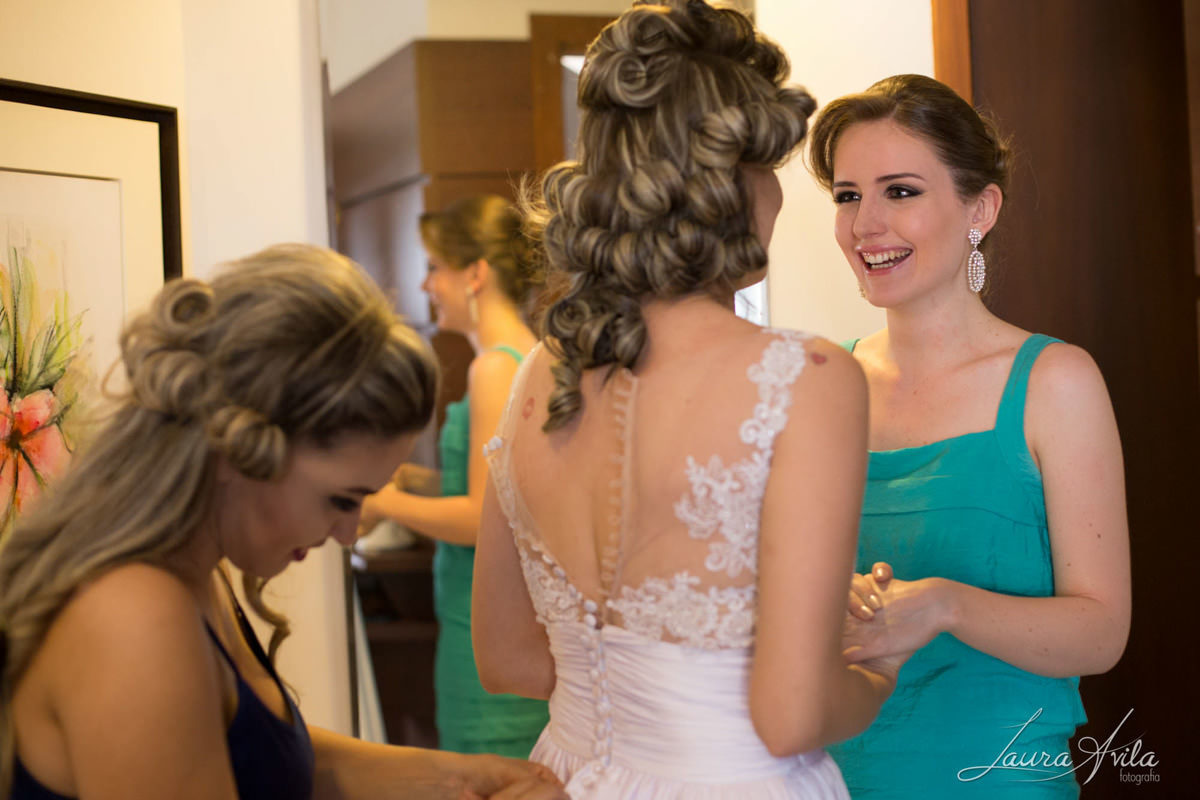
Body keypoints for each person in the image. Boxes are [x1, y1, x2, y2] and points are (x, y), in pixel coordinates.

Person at [470, 3, 906, 797]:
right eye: (770, 170)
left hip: (569, 774)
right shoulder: (804, 377)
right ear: (731, 183)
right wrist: (878, 677)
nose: (777, 199)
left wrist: (634, 702)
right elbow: (791, 715)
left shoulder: (537, 372)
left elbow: (505, 659)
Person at [0, 244, 567, 800]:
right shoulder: (132, 615)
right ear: (238, 446)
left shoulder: (195, 570)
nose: (347, 532)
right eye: (341, 500)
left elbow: (265, 763)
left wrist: (454, 778)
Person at [806, 74, 1131, 798]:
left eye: (900, 191)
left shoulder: (1055, 381)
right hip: (827, 779)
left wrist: (943, 605)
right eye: (848, 196)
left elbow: (1102, 633)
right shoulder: (821, 382)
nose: (864, 225)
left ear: (979, 208)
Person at [359, 196, 548, 758]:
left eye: (434, 267)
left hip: (483, 620)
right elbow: (503, 489)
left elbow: (478, 518)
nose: (426, 285)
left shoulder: (494, 367)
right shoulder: (526, 356)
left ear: (475, 275)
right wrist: (416, 480)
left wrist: (381, 502)